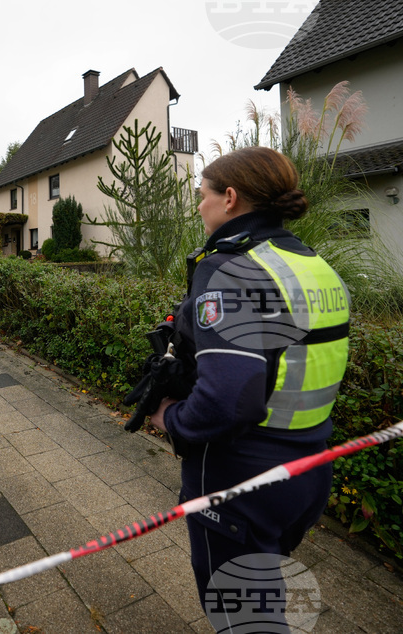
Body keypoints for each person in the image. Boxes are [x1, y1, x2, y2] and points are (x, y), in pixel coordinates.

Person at [148, 147, 351, 621]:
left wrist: (171, 418)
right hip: (309, 470)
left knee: (245, 620)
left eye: (203, 195)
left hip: (240, 476)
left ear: (231, 198)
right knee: (263, 597)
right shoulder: (312, 263)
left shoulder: (229, 267)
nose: (199, 206)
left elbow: (227, 399)